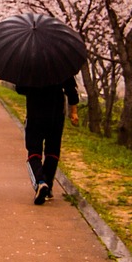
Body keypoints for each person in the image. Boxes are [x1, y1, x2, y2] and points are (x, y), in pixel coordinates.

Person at [15, 77, 80, 205]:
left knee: (34, 151)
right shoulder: (61, 66)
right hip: (56, 115)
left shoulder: (29, 66)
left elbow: (19, 89)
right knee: (53, 151)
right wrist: (74, 112)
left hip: (35, 114)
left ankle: (40, 182)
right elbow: (71, 91)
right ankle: (48, 187)